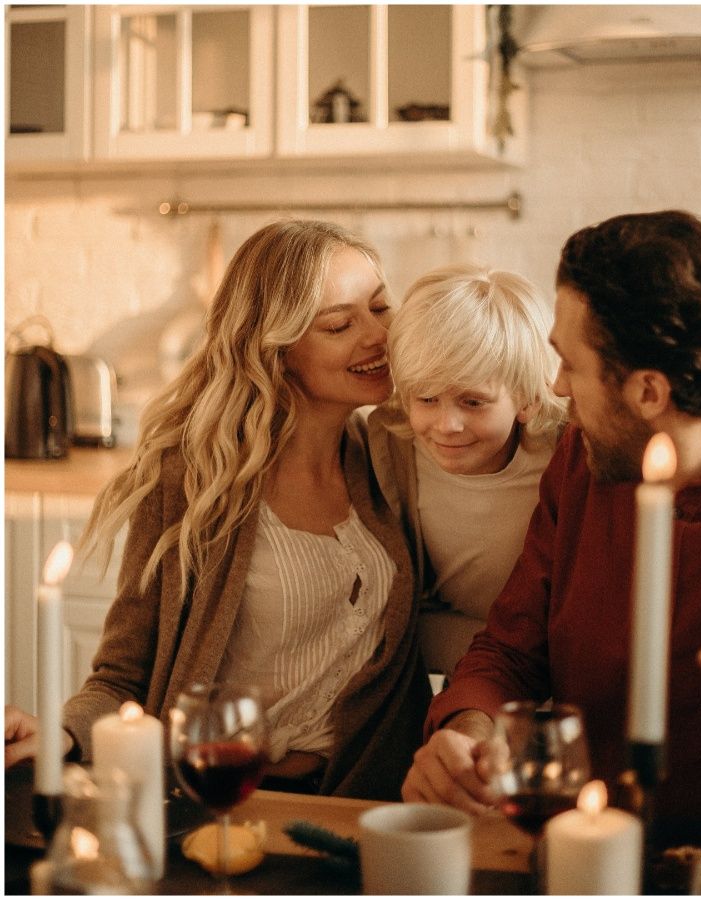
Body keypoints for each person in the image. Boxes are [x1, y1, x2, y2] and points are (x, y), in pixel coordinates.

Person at [401, 210, 701, 844]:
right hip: (567, 853)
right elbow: (511, 650)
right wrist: (468, 731)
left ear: (647, 392)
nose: (555, 389)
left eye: (569, 365)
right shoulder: (583, 461)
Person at [3, 220, 430, 800]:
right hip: (223, 801)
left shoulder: (397, 456)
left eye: (381, 307)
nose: (378, 335)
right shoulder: (192, 480)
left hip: (366, 804)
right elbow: (123, 675)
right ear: (275, 347)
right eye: (339, 323)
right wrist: (65, 733)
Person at [366, 264, 566, 677]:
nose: (446, 425)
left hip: (554, 646)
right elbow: (402, 611)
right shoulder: (393, 447)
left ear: (527, 399)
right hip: (460, 646)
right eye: (426, 398)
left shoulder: (562, 453)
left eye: (473, 402)